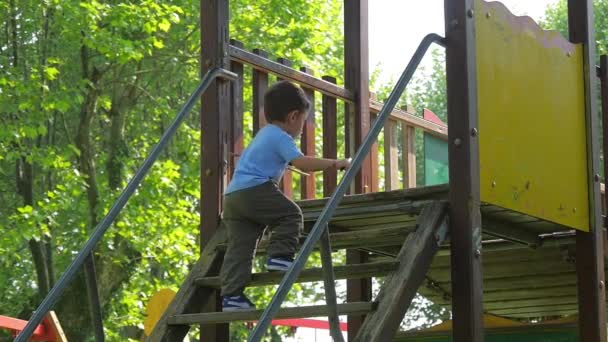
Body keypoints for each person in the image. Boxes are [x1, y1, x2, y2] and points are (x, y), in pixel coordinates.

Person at [220, 80, 351, 311]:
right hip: (255, 190)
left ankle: (232, 296)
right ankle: (280, 256)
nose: (302, 127)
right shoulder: (281, 137)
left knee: (240, 247)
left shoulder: (264, 134)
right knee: (291, 215)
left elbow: (286, 163)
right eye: (303, 120)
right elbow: (303, 162)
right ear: (293, 116)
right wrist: (336, 163)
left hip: (233, 198)